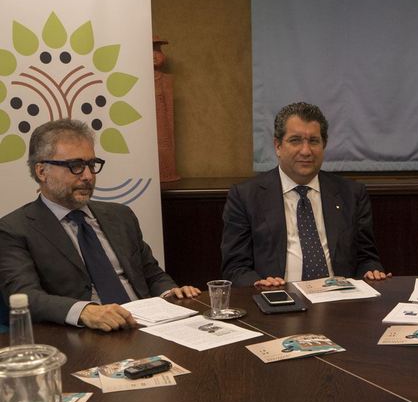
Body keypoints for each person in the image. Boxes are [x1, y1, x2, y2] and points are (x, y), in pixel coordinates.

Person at [0, 119, 200, 331]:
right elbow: (25, 297)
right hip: (85, 335)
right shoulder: (14, 229)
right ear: (42, 172)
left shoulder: (120, 215)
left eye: (91, 165)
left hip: (147, 326)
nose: (88, 176)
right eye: (75, 166)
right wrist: (84, 311)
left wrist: (170, 293)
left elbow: (151, 274)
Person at [221, 102, 389, 288]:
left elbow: (366, 258)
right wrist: (259, 284)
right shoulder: (246, 196)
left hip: (340, 298)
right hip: (278, 296)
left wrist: (371, 271)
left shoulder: (351, 194)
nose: (306, 151)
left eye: (314, 141)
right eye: (295, 140)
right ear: (277, 146)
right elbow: (235, 268)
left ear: (324, 145)